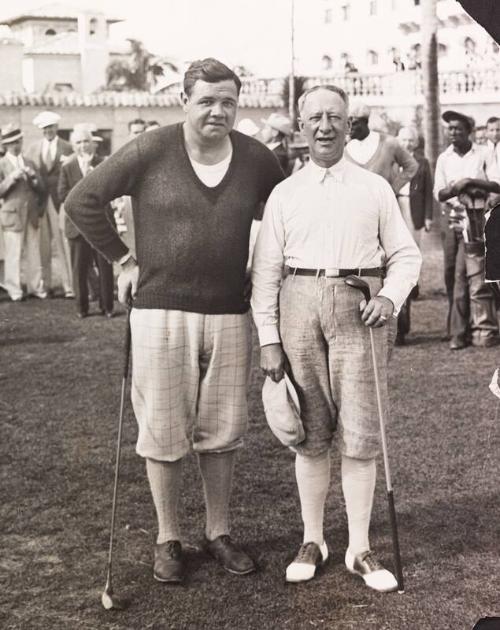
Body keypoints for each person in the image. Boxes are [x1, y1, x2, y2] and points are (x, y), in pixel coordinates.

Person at [65, 58, 284, 584]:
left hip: (230, 313)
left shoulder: (256, 158)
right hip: (159, 313)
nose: (218, 110)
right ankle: (168, 538)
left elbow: (284, 215)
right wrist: (123, 259)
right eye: (206, 100)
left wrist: (266, 267)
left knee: (224, 431)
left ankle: (218, 532)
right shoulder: (151, 148)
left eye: (228, 101)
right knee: (163, 431)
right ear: (184, 100)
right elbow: (82, 199)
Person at [251, 85, 421, 589]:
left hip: (359, 307)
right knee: (310, 432)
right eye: (315, 118)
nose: (325, 126)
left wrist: (389, 297)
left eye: (335, 118)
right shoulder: (285, 192)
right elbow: (265, 274)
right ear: (301, 127)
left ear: (349, 126)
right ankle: (313, 538)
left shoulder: (374, 188)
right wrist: (268, 339)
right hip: (298, 306)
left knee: (362, 433)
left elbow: (407, 256)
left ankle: (360, 548)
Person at [434, 110, 500, 350]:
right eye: (450, 128)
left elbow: (496, 183)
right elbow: (439, 193)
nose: (453, 132)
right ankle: (457, 328)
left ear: (468, 131)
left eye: (458, 129)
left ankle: (464, 332)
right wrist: (456, 189)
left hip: (475, 220)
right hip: (452, 218)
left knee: (469, 274)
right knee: (452, 274)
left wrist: (468, 183)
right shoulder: (444, 158)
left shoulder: (482, 153)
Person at [58, 127, 114, 319]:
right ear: (74, 146)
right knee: (78, 268)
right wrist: (85, 185)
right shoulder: (67, 167)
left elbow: (110, 191)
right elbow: (63, 195)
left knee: (105, 267)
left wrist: (93, 175)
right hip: (77, 226)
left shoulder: (103, 164)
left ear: (93, 143)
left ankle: (107, 306)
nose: (83, 146)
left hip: (102, 225)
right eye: (79, 142)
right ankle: (81, 308)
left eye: (86, 141)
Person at [26, 111, 74, 297]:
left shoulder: (67, 147)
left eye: (51, 127)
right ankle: (44, 286)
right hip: (40, 204)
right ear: (41, 129)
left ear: (57, 127)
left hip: (59, 201)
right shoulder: (33, 149)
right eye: (45, 128)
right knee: (43, 246)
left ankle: (69, 286)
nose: (48, 131)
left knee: (64, 245)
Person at [395, 126, 434, 344]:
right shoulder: (393, 158)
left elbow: (428, 190)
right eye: (404, 139)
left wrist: (429, 217)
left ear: (416, 142)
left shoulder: (423, 161)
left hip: (415, 208)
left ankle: (414, 282)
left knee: (413, 249)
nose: (407, 143)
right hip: (397, 203)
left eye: (411, 140)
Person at [0, 124, 46, 301]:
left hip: (31, 214)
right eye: (12, 142)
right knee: (13, 253)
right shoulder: (2, 164)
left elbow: (42, 189)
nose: (16, 145)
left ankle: (35, 287)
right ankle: (14, 289)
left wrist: (33, 177)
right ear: (5, 144)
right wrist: (12, 178)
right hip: (12, 214)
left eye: (18, 141)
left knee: (34, 252)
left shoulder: (29, 162)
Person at [345, 103, 418, 196]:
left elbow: (411, 166)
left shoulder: (388, 143)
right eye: (347, 124)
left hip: (383, 206)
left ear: (365, 122)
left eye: (354, 124)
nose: (349, 128)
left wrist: (394, 189)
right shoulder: (345, 149)